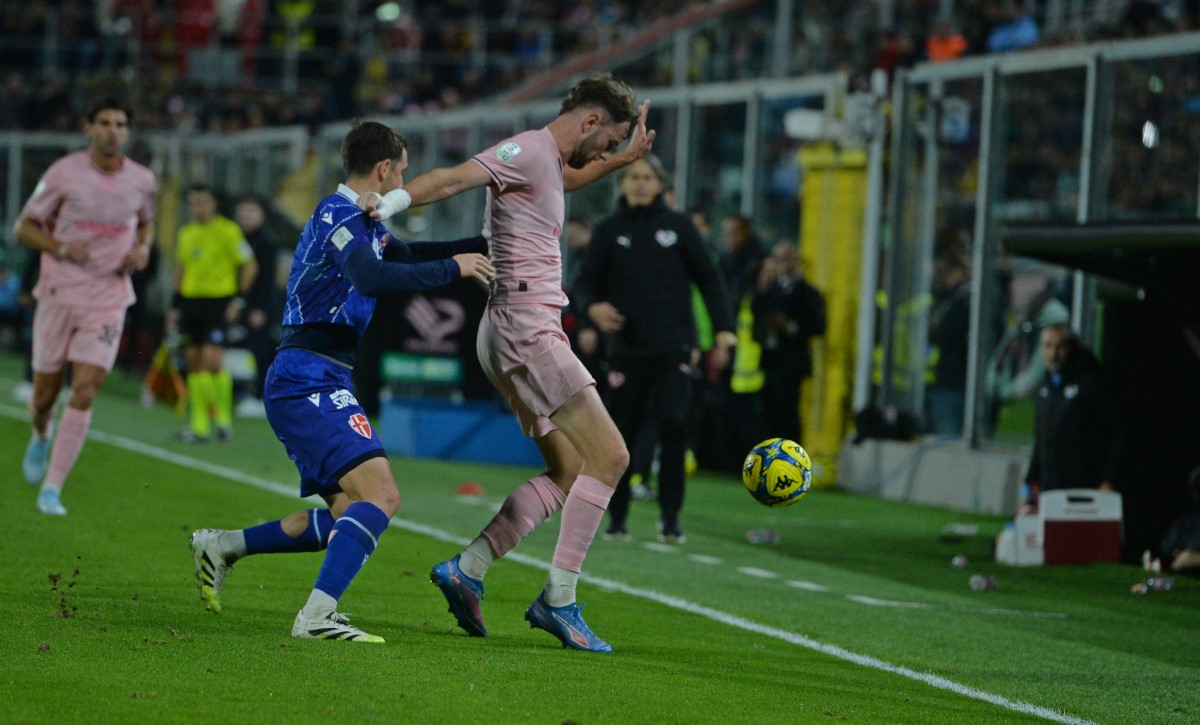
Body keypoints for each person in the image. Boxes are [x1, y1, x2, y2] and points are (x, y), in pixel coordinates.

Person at [366, 72, 654, 653]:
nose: (607, 150)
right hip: (527, 326)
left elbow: (572, 177)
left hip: (510, 326)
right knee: (612, 455)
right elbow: (454, 178)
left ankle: (468, 569)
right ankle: (560, 600)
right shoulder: (525, 149)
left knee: (570, 470)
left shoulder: (548, 163)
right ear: (592, 121)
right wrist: (390, 202)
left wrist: (624, 161)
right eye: (610, 139)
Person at [187, 120, 494, 643]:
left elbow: (412, 255)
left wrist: (490, 244)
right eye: (403, 169)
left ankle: (224, 545)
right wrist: (457, 269)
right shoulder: (338, 215)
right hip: (306, 374)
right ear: (384, 168)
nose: (405, 179)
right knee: (383, 495)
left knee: (349, 513)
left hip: (318, 374)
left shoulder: (368, 223)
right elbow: (374, 279)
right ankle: (315, 616)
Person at [572, 153, 736, 543]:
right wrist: (593, 309)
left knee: (674, 424)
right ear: (623, 184)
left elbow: (710, 281)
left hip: (674, 346)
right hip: (627, 349)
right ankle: (618, 515)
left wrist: (724, 330)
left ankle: (670, 516)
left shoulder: (679, 227)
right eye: (633, 177)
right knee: (621, 433)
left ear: (661, 184)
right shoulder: (610, 230)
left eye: (647, 177)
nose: (641, 183)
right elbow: (584, 284)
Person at [13, 96, 156, 516]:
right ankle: (40, 433)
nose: (113, 131)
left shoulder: (142, 180)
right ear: (88, 128)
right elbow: (24, 227)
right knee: (44, 396)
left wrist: (143, 248)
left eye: (120, 124)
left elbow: (145, 222)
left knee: (86, 387)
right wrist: (59, 246)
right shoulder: (63, 174)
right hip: (59, 295)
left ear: (127, 132)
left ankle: (52, 488)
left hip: (108, 299)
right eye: (105, 123)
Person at [170, 184, 259, 442]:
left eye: (203, 202)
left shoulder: (228, 231)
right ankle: (199, 425)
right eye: (194, 203)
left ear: (214, 204)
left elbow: (250, 266)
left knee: (212, 361)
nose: (198, 207)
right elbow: (182, 269)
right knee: (193, 362)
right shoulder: (187, 233)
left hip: (219, 302)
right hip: (191, 303)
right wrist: (175, 307)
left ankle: (222, 418)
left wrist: (238, 301)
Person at [1019, 324, 1122, 511]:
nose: (1053, 354)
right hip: (1051, 490)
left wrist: (1109, 480)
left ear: (1071, 348)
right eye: (1047, 346)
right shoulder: (1044, 388)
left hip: (1084, 489)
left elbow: (1118, 433)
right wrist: (1029, 485)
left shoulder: (1091, 383)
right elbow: (1041, 440)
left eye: (1059, 347)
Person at [751, 241, 826, 445]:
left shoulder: (809, 293)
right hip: (770, 361)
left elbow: (818, 326)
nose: (782, 264)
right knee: (767, 412)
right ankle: (766, 461)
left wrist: (790, 326)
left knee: (789, 413)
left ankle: (790, 461)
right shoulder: (768, 292)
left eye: (786, 258)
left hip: (792, 363)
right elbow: (756, 325)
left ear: (797, 261)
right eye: (778, 259)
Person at [232, 195, 283, 410]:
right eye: (242, 213)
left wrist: (261, 309)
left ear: (261, 215)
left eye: (251, 212)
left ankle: (262, 398)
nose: (246, 217)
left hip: (258, 306)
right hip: (237, 303)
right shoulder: (234, 237)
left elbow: (267, 280)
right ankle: (239, 393)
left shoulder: (267, 242)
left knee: (261, 352)